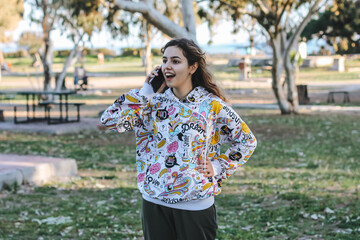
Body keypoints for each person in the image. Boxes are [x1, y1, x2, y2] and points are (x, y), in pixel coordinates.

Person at [100, 38, 257, 240]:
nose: (167, 66)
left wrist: (219, 167)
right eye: (164, 60)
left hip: (196, 204)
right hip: (154, 202)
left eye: (175, 61)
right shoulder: (151, 104)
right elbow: (110, 120)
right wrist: (146, 92)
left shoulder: (212, 106)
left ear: (193, 67)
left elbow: (247, 141)